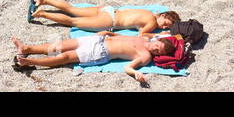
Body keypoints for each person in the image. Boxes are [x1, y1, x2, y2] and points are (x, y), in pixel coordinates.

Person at [12, 33, 174, 85]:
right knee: (59, 46)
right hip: (99, 40)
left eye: (158, 52)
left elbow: (128, 67)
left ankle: (30, 62)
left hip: (101, 53)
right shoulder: (146, 38)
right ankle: (27, 49)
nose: (154, 49)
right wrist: (108, 33)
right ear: (158, 41)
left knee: (65, 57)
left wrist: (135, 74)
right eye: (157, 46)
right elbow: (168, 35)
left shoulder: (145, 56)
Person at [29, 0, 179, 34]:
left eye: (166, 27)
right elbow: (142, 35)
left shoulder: (149, 12)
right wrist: (161, 35)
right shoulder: (152, 23)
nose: (163, 26)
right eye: (165, 23)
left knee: (73, 9)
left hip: (108, 10)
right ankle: (41, 13)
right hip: (110, 20)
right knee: (72, 21)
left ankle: (44, 0)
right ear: (163, 15)